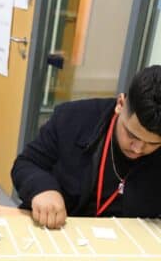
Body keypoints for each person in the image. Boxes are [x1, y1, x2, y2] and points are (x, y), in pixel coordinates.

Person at [12, 65, 161, 229]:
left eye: (152, 143)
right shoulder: (73, 118)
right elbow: (26, 163)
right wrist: (42, 188)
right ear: (121, 104)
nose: (138, 149)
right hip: (61, 230)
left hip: (129, 242)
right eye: (132, 135)